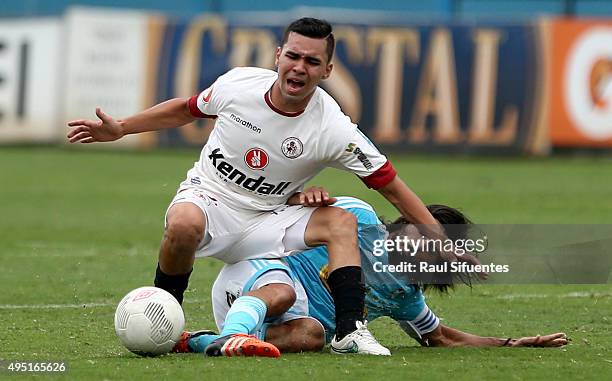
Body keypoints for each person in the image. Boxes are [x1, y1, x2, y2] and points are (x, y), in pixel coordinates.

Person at [67, 17, 447, 357]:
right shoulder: (239, 85)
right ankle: (168, 318)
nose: (300, 68)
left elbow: (391, 185)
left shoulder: (333, 128)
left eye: (312, 61)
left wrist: (442, 242)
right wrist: (122, 128)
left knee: (341, 221)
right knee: (183, 223)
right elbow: (186, 109)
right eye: (293, 56)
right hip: (210, 198)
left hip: (268, 218)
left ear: (327, 69)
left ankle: (350, 332)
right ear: (278, 55)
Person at [175, 197, 568, 354]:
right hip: (256, 279)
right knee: (284, 292)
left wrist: (514, 343)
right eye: (424, 232)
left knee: (314, 336)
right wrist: (303, 195)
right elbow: (284, 210)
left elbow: (441, 337)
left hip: (273, 319)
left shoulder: (406, 296)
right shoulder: (360, 220)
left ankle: (207, 342)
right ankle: (236, 333)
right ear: (408, 222)